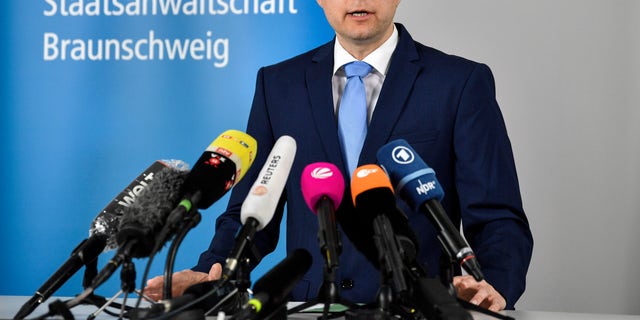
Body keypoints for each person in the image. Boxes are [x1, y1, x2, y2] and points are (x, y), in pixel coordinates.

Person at [145, 0, 533, 312]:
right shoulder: (278, 84)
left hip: (420, 305)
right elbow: (251, 212)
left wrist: (492, 286)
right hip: (310, 307)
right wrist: (208, 272)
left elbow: (497, 215)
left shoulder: (460, 82)